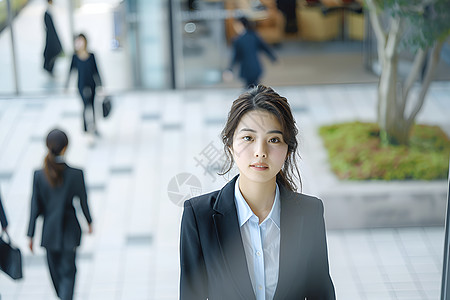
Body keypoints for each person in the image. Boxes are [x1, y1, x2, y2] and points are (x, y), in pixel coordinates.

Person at [180, 85, 335, 300]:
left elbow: (321, 293)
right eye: (248, 138)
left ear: (288, 150)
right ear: (230, 145)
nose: (260, 152)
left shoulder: (309, 213)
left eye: (273, 140)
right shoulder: (199, 217)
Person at [27, 129, 93, 300]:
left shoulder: (39, 175)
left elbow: (35, 206)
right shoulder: (76, 174)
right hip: (70, 231)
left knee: (58, 275)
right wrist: (89, 222)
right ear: (65, 148)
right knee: (68, 274)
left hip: (49, 233)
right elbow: (83, 201)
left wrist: (31, 235)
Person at [224, 17, 277, 89]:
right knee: (253, 87)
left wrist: (230, 69)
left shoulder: (238, 40)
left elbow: (235, 57)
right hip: (256, 67)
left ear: (240, 25)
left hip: (247, 68)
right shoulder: (253, 35)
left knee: (251, 88)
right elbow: (265, 47)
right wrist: (273, 58)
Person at [66, 33, 103, 135]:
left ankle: (94, 126)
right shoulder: (75, 57)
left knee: (92, 105)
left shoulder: (91, 56)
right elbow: (71, 71)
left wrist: (100, 85)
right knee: (85, 105)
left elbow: (96, 71)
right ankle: (86, 127)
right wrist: (66, 86)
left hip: (92, 84)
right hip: (81, 85)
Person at [43, 0, 63, 76]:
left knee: (54, 52)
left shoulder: (49, 11)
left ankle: (50, 68)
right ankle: (49, 67)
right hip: (51, 37)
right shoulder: (47, 13)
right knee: (53, 51)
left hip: (51, 37)